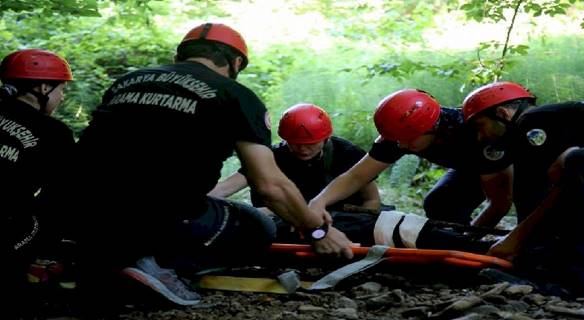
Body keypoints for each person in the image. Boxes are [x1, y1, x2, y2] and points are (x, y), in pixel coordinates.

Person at [69, 23, 353, 307]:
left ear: (181, 55)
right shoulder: (235, 95)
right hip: (159, 219)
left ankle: (102, 259)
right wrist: (319, 231)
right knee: (258, 226)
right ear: (236, 62)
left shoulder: (125, 82)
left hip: (80, 215)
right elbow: (269, 186)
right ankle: (158, 266)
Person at [462, 81, 584, 297]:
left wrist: (516, 240)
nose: (480, 137)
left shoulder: (530, 122)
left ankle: (563, 281)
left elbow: (552, 195)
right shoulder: (557, 122)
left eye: (480, 126)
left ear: (502, 113)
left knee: (582, 164)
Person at [309, 88, 514, 244]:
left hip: (507, 166)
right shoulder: (400, 133)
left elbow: (499, 203)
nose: (401, 146)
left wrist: (470, 240)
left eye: (408, 140)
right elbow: (356, 177)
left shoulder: (477, 135)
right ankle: (451, 239)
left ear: (432, 128)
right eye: (396, 139)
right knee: (439, 202)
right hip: (467, 167)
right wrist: (318, 202)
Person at [0, 49, 75, 316]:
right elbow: (62, 197)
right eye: (61, 89)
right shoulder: (53, 133)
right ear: (43, 87)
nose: (62, 97)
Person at [210, 102, 381, 212]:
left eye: (310, 144)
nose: (303, 149)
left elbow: (372, 200)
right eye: (295, 143)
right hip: (282, 219)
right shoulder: (271, 156)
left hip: (341, 219)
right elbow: (225, 188)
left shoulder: (348, 154)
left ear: (325, 139)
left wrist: (361, 216)